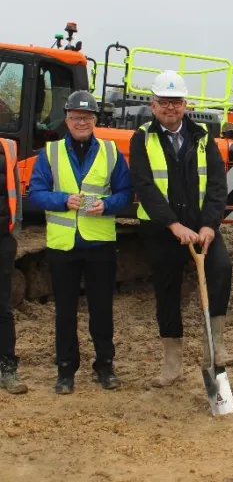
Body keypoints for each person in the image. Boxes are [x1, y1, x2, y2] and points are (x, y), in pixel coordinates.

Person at [129, 71, 233, 388]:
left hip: (201, 228)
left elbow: (218, 184)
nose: (170, 107)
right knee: (167, 290)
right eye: (164, 102)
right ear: (153, 105)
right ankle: (172, 363)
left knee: (221, 269)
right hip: (162, 230)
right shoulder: (142, 139)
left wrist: (208, 225)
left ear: (185, 104)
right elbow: (145, 187)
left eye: (175, 102)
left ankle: (215, 348)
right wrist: (173, 225)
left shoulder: (202, 137)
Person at [29, 91, 133, 394]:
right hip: (63, 245)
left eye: (87, 117)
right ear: (67, 119)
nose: (81, 122)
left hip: (99, 244)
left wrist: (108, 205)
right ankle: (65, 369)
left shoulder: (111, 153)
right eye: (76, 117)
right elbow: (35, 193)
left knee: (102, 309)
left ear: (95, 120)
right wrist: (63, 200)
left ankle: (105, 366)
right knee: (65, 310)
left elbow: (125, 193)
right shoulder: (49, 153)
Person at [0, 137, 27, 394]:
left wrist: (13, 230)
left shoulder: (7, 147)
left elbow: (15, 191)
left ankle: (7, 367)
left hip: (2, 239)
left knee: (2, 308)